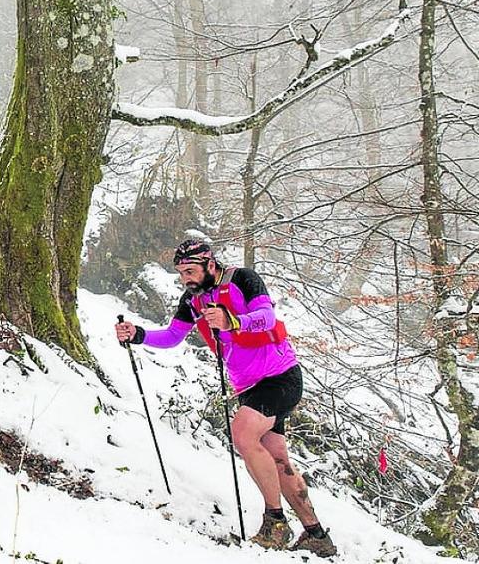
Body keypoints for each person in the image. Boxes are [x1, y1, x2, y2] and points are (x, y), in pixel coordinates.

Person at [115, 239, 337, 557]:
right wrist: (138, 335)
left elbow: (267, 318)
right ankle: (316, 534)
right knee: (277, 459)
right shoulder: (192, 300)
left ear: (210, 263)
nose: (186, 279)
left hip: (280, 376)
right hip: (250, 387)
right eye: (180, 273)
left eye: (190, 271)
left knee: (243, 434)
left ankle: (276, 523)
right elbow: (173, 336)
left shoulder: (243, 280)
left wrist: (233, 321)